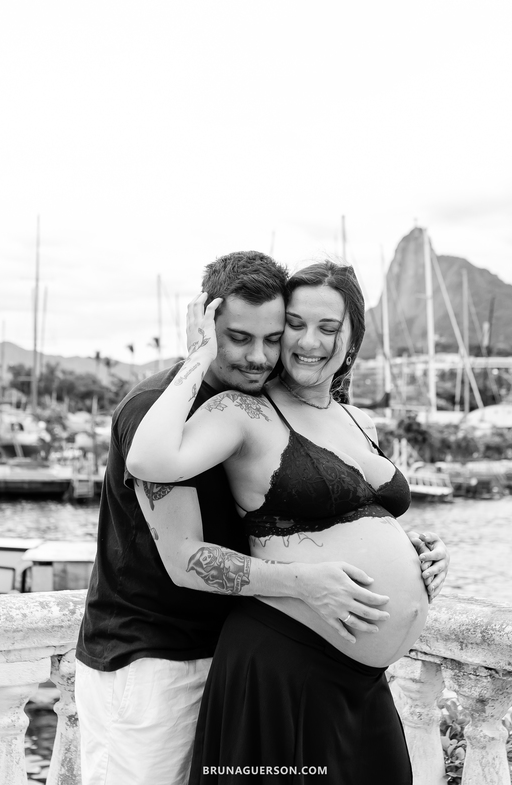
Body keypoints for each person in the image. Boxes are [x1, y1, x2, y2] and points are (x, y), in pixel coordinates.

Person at [75, 251, 448, 785]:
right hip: (153, 655)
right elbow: (181, 550)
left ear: (352, 337)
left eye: (272, 337)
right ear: (206, 326)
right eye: (239, 337)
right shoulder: (166, 408)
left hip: (271, 653)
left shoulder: (337, 416)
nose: (260, 355)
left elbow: (318, 513)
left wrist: (411, 550)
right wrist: (306, 582)